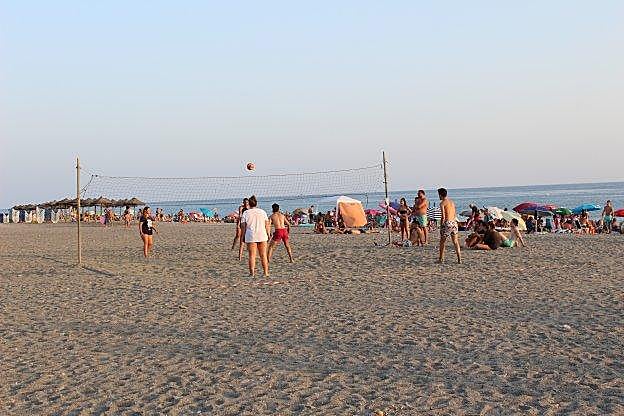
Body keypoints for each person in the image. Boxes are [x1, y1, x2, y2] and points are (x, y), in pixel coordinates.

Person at [240, 195, 270, 277]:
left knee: (252, 255)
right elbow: (267, 225)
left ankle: (252, 273)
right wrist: (268, 234)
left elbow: (243, 227)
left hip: (251, 235)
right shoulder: (263, 212)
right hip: (262, 235)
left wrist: (243, 236)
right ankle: (266, 272)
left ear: (249, 204)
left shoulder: (246, 213)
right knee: (263, 255)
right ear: (256, 203)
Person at [437, 188, 461, 263]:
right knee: (455, 242)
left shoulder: (442, 203)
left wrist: (441, 224)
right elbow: (454, 214)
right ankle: (459, 258)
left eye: (439, 195)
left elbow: (443, 216)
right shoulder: (452, 202)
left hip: (447, 223)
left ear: (440, 195)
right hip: (454, 222)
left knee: (442, 242)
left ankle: (441, 259)